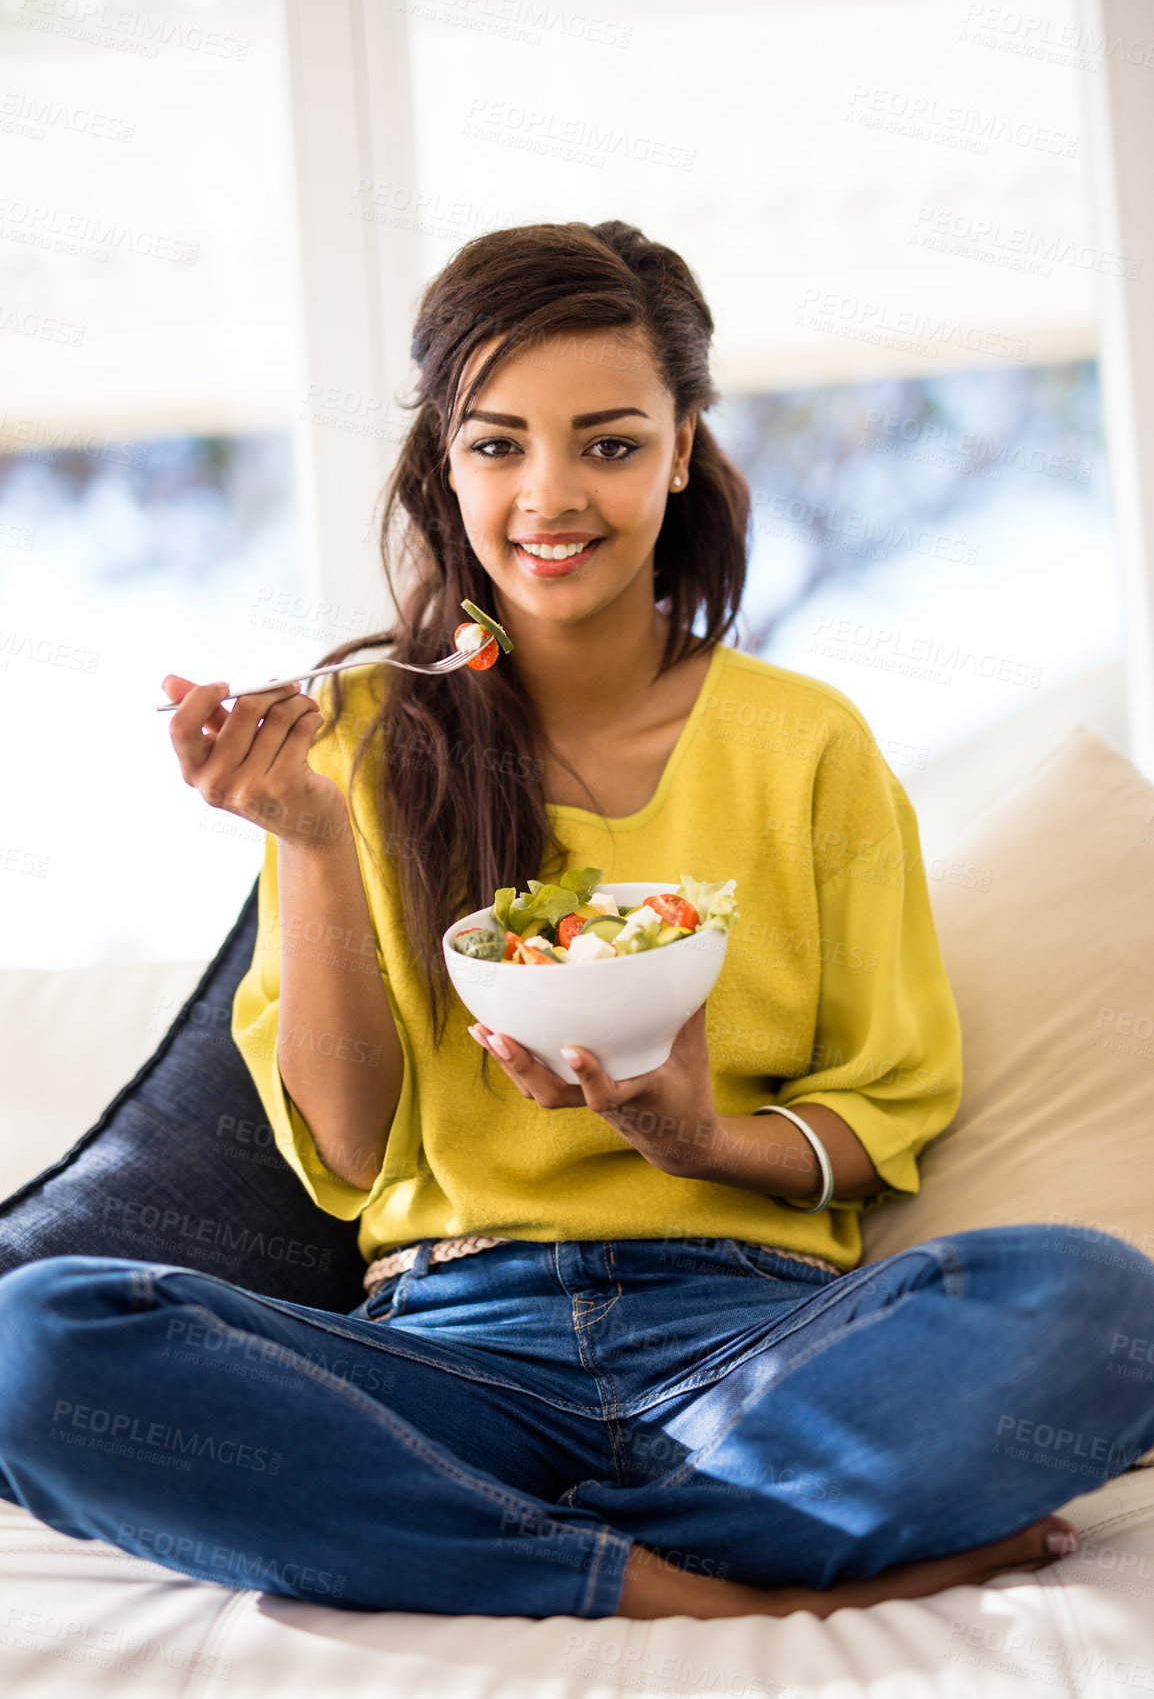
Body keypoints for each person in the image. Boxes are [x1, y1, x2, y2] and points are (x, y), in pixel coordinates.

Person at [1, 220, 1151, 1623]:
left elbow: (879, 1111)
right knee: (34, 1343)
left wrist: (695, 1136)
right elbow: (354, 1150)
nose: (550, 496)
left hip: (745, 1350)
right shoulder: (353, 740)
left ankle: (483, 1546)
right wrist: (306, 836)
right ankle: (705, 1583)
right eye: (497, 446)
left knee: (1094, 1301)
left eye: (606, 444)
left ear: (681, 450)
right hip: (441, 1354)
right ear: (442, 460)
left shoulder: (806, 745)